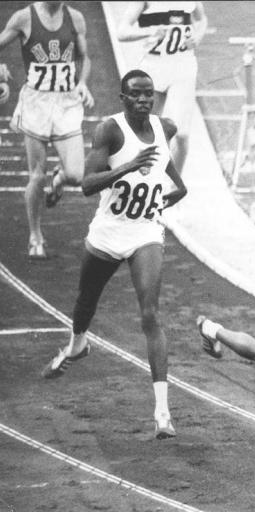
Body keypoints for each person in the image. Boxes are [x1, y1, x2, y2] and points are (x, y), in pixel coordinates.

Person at [40, 69, 187, 440]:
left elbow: (166, 169)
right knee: (85, 302)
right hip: (107, 232)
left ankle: (163, 412)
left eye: (148, 94)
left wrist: (171, 194)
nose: (143, 100)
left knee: (150, 314)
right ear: (122, 98)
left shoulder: (164, 127)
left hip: (145, 233)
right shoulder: (110, 130)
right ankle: (78, 344)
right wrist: (127, 168)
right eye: (135, 94)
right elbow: (87, 185)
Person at [0, 1, 94, 259]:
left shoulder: (75, 18)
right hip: (36, 104)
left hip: (66, 103)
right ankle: (35, 234)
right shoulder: (24, 18)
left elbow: (85, 58)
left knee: (76, 174)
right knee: (36, 175)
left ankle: (59, 180)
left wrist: (83, 83)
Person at [117, 1, 207, 175]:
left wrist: (198, 36)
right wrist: (149, 32)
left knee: (181, 134)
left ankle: (175, 187)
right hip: (153, 68)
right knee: (146, 133)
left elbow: (202, 19)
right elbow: (122, 32)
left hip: (183, 66)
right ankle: (145, 178)